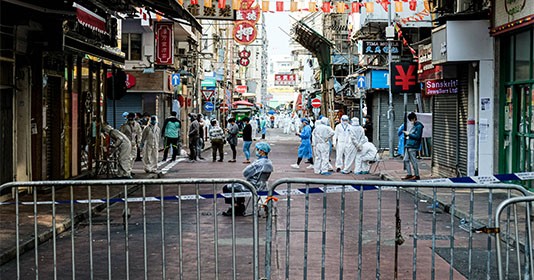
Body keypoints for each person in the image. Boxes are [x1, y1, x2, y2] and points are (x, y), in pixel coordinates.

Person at [222, 142, 274, 216]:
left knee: (227, 188)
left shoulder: (258, 163)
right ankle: (241, 205)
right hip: (263, 186)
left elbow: (245, 173)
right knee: (239, 186)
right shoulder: (269, 162)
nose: (257, 151)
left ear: (262, 151)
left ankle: (236, 206)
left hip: (252, 185)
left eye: (258, 149)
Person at [402, 112, 424, 180]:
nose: (411, 122)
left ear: (414, 119)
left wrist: (409, 134)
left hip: (413, 145)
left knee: (413, 160)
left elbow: (418, 136)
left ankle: (417, 175)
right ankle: (409, 174)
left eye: (411, 120)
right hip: (408, 145)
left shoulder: (419, 126)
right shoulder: (414, 126)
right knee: (405, 160)